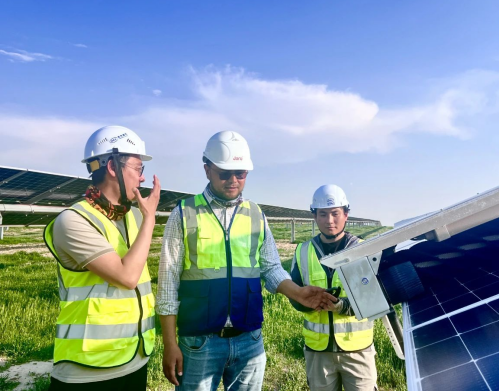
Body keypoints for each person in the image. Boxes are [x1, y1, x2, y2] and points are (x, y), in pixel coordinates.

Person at [156, 131, 336, 391]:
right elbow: (167, 283)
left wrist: (297, 293)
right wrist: (170, 343)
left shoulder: (255, 214)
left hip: (249, 340)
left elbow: (271, 268)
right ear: (207, 170)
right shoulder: (184, 214)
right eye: (224, 173)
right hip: (199, 342)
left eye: (240, 173)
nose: (233, 180)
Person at [43, 126, 161, 391]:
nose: (142, 177)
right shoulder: (73, 221)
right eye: (138, 168)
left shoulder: (133, 217)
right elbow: (127, 277)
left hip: (134, 357)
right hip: (88, 369)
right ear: (112, 167)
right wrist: (150, 219)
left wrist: (145, 218)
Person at [290, 185, 378, 391]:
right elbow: (294, 295)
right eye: (323, 214)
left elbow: (374, 299)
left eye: (335, 213)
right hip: (318, 351)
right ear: (314, 216)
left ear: (346, 214)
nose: (329, 220)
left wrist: (342, 306)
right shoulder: (302, 251)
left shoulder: (363, 250)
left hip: (357, 350)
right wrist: (307, 301)